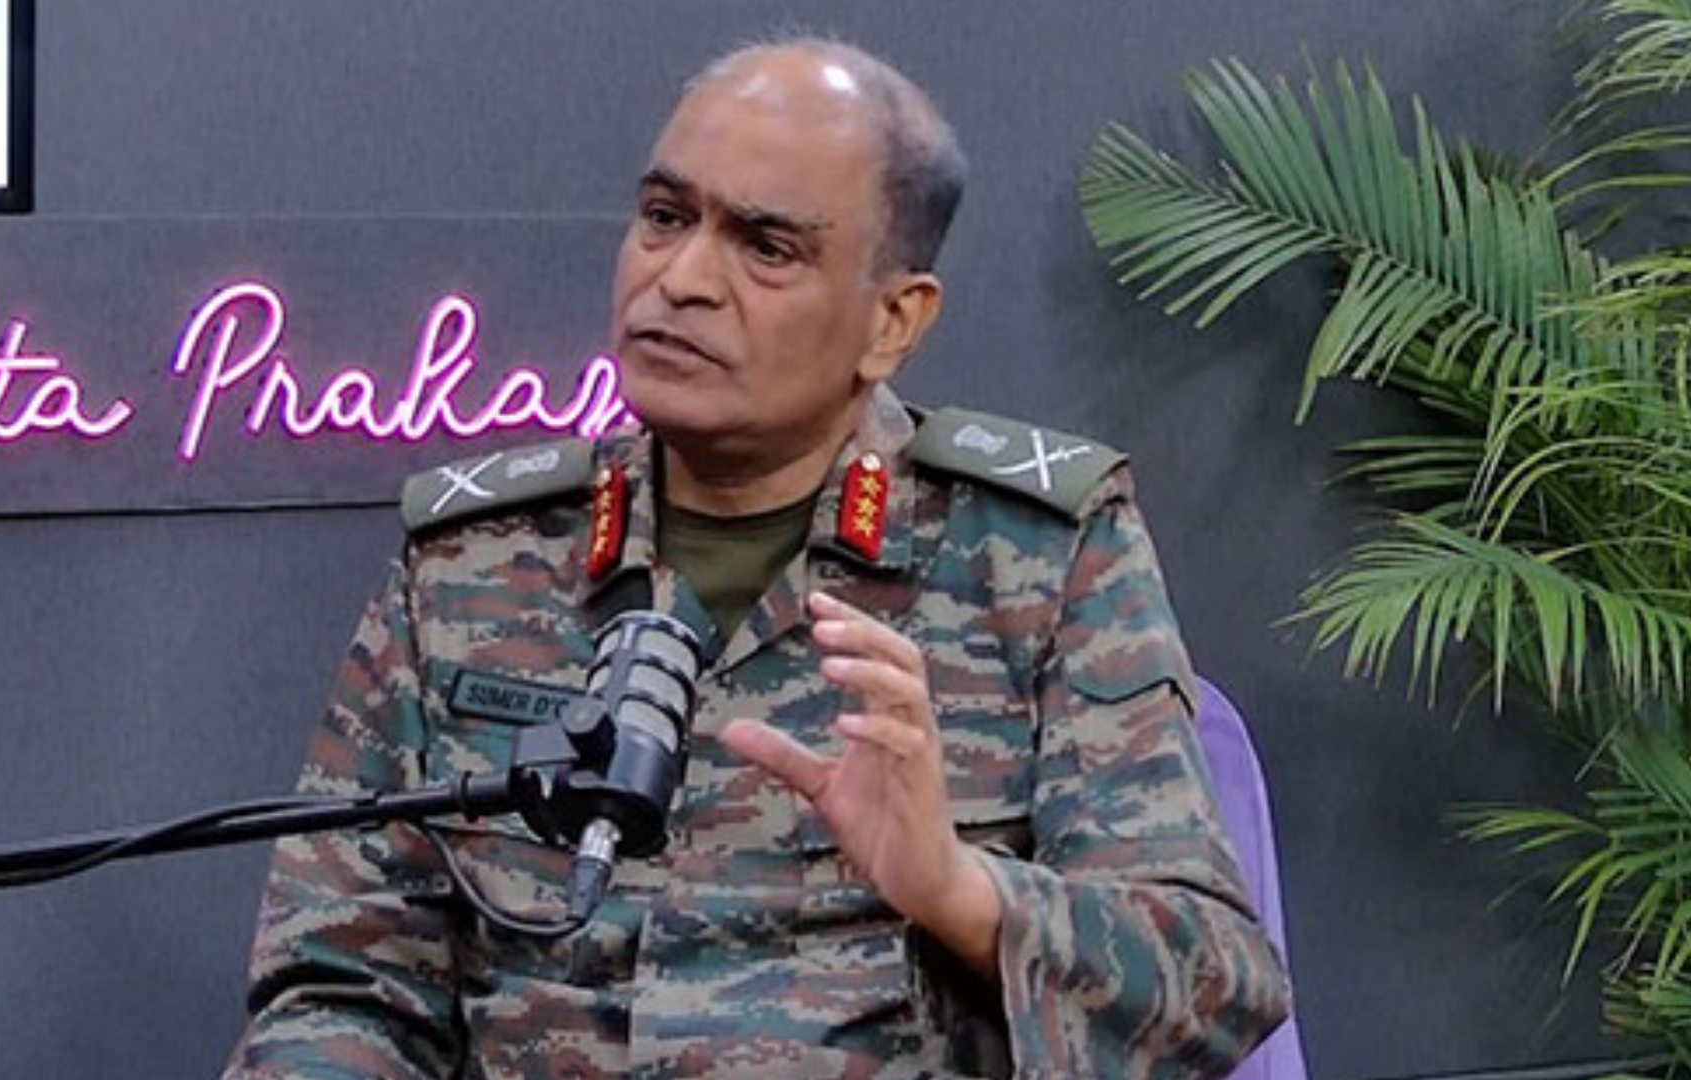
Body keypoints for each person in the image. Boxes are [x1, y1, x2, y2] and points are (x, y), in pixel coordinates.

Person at [222, 37, 1291, 1080]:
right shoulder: (473, 560)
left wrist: (957, 890)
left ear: (893, 322)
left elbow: (1210, 991)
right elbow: (342, 983)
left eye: (766, 248)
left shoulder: (1039, 558)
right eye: (664, 217)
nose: (681, 279)